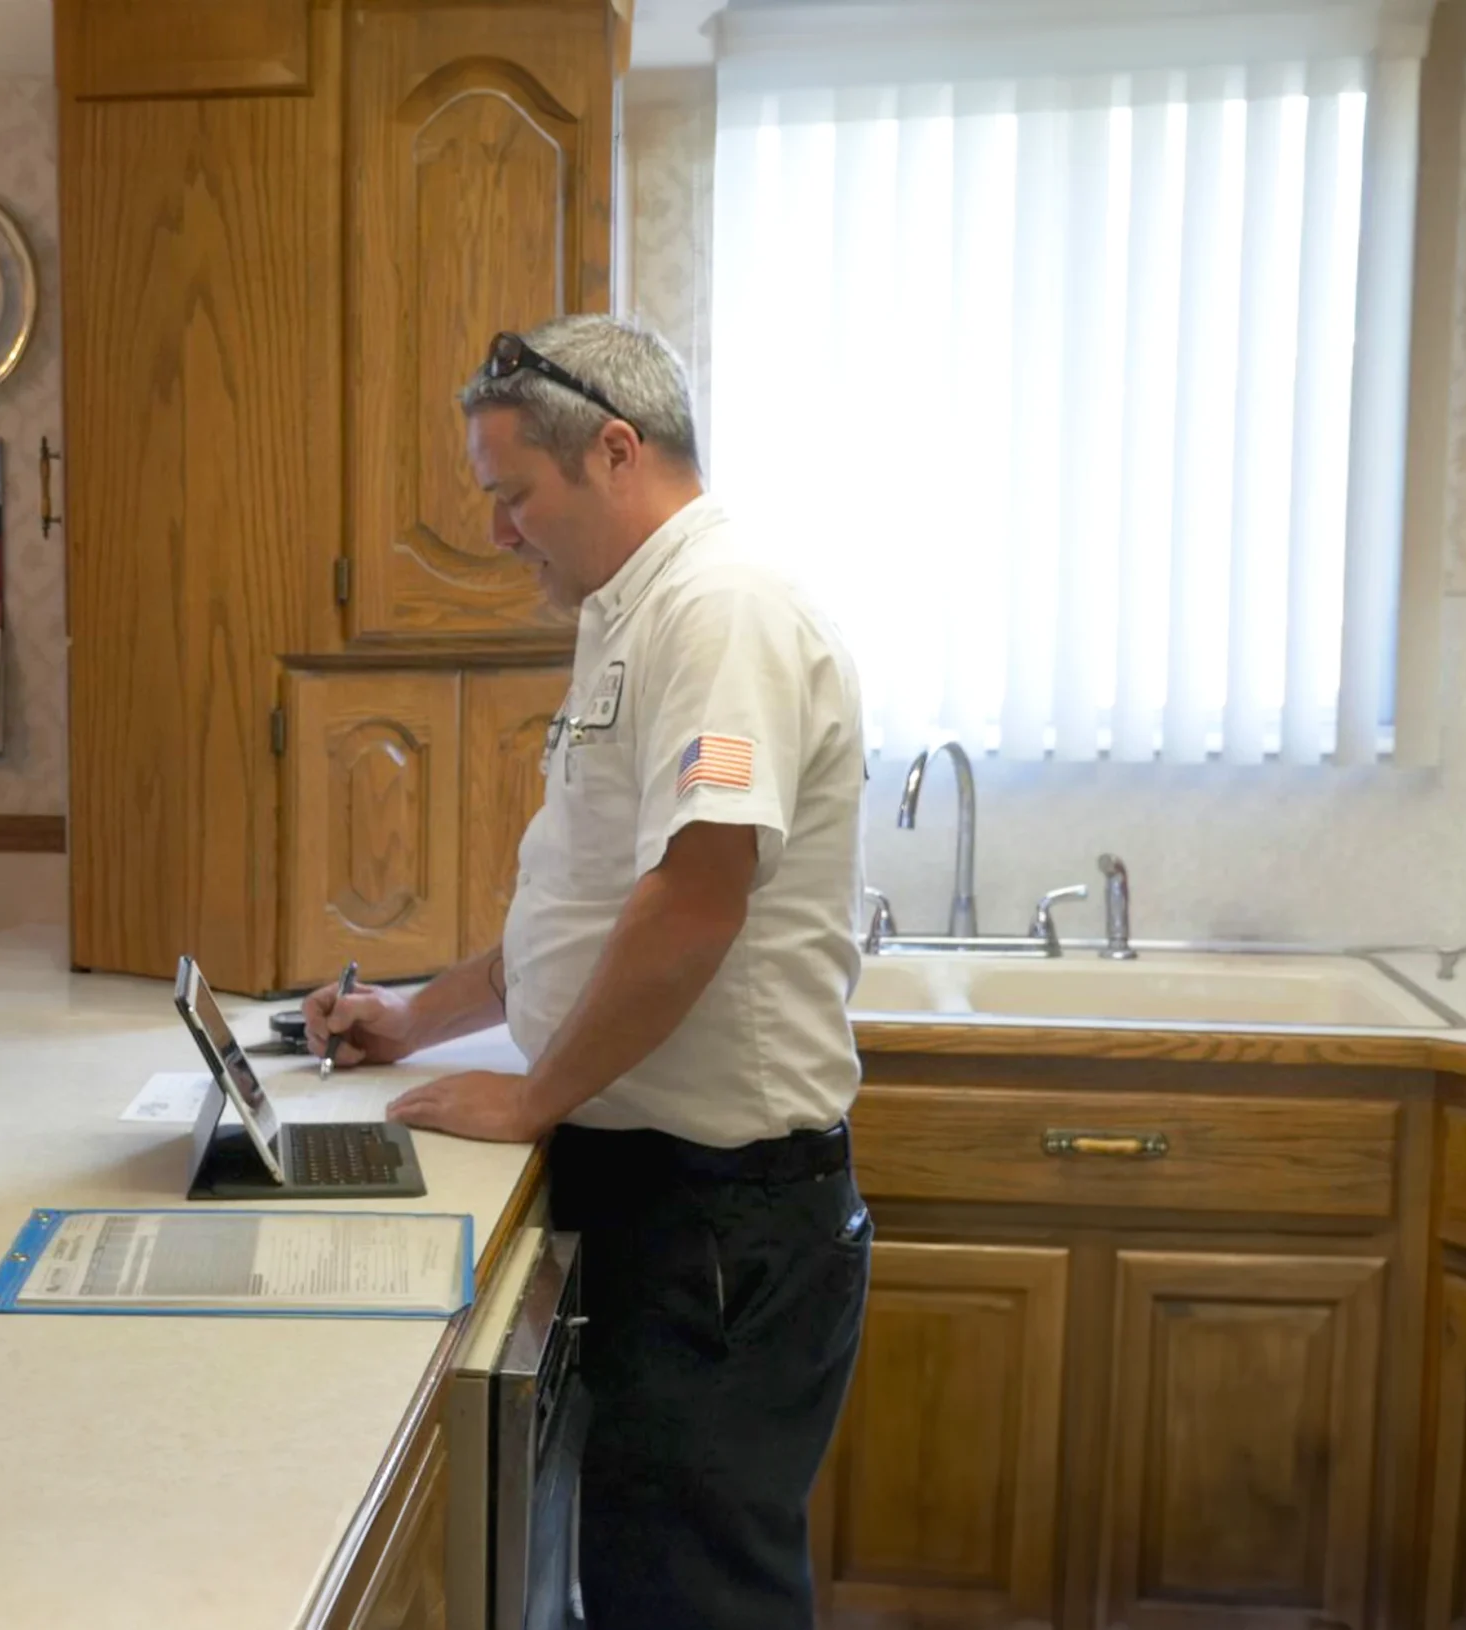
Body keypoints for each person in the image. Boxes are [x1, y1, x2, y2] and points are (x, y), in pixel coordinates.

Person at [304, 314, 869, 1627]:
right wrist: (415, 1015)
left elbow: (697, 897)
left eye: (515, 494)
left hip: (721, 1219)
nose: (499, 529)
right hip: (658, 1199)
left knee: (695, 1597)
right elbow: (591, 902)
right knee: (640, 1578)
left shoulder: (720, 612)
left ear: (615, 450)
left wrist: (529, 1093)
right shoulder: (635, 615)